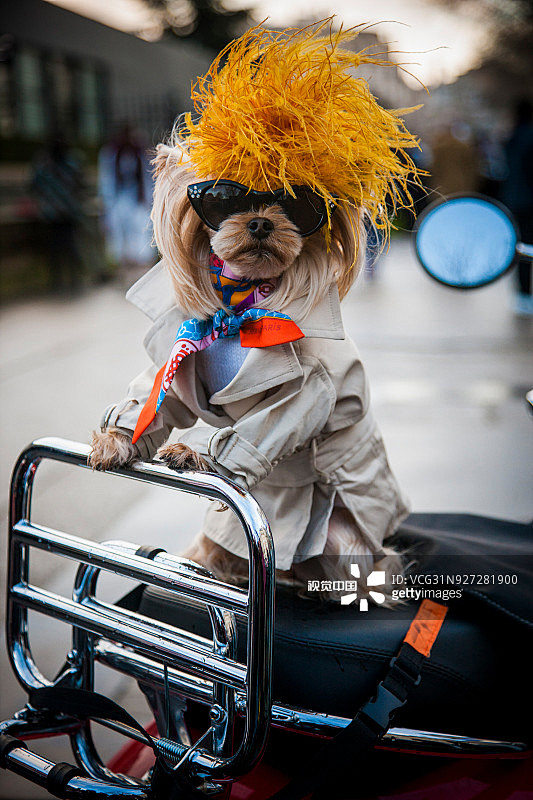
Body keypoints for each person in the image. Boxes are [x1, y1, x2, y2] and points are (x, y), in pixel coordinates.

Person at [98, 124, 154, 280]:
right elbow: (106, 181)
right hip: (119, 199)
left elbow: (148, 178)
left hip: (138, 199)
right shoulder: (111, 153)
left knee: (142, 230)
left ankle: (142, 270)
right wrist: (106, 207)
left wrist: (149, 200)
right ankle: (124, 269)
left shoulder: (141, 152)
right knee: (120, 233)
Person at [31, 137, 85, 294]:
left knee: (59, 249)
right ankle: (69, 280)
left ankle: (61, 281)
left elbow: (33, 186)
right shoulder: (69, 164)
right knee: (67, 248)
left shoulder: (45, 166)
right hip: (64, 213)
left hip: (55, 214)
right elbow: (81, 184)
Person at [501, 99, 533, 316]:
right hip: (529, 199)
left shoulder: (511, 138)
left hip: (514, 199)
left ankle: (523, 294)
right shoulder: (528, 136)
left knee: (521, 247)